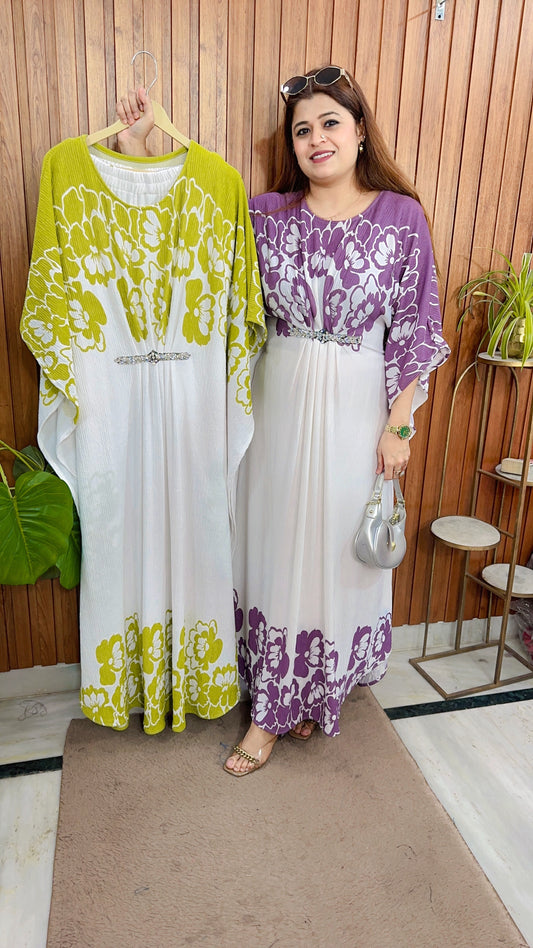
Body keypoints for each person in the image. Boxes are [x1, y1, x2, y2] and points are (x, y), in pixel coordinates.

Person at [116, 65, 449, 773]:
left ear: (359, 132)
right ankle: (270, 708)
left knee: (332, 553)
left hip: (357, 407)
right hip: (275, 403)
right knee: (274, 546)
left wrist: (399, 427)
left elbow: (417, 330)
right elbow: (185, 244)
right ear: (291, 145)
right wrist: (141, 147)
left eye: (330, 123)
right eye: (302, 130)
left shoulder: (401, 217)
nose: (316, 139)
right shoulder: (265, 214)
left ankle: (306, 694)